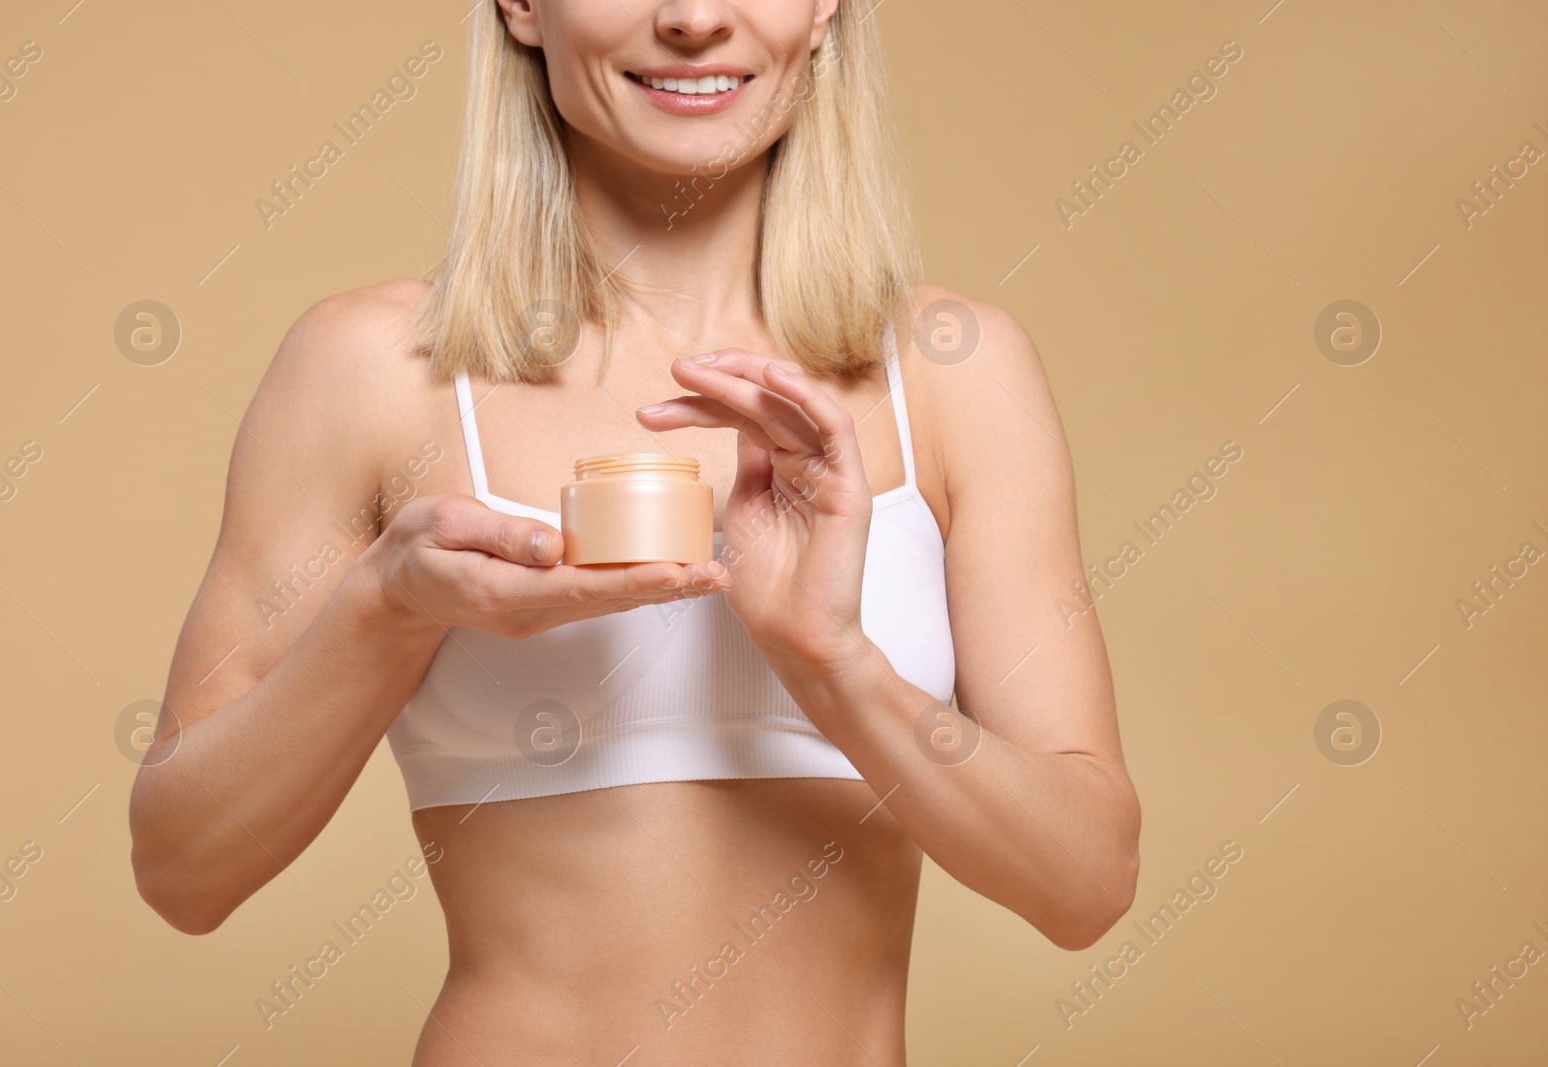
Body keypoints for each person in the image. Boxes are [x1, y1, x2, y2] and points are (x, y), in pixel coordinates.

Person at [128, 0, 1141, 1062]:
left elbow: (1085, 883)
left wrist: (832, 662)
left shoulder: (952, 371)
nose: (696, 18)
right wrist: (388, 610)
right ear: (521, 6)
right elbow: (183, 869)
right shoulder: (374, 372)